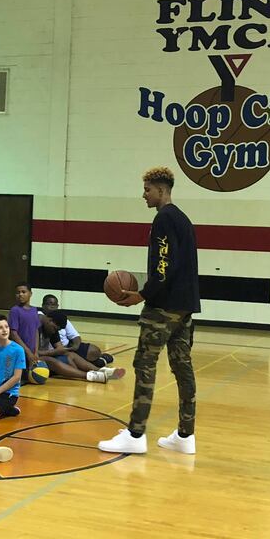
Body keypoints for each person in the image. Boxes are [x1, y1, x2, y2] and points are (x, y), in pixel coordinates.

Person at [98, 166, 199, 455]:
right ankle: (185, 435)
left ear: (162, 190)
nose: (143, 195)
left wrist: (142, 294)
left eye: (147, 190)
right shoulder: (183, 219)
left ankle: (135, 434)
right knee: (183, 367)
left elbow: (163, 265)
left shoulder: (164, 219)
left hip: (164, 307)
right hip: (185, 305)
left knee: (145, 364)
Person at [36, 311, 122, 383]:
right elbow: (34, 353)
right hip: (31, 359)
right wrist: (55, 352)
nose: (54, 331)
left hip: (43, 355)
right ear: (50, 320)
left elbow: (59, 347)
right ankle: (89, 376)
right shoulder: (35, 325)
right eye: (55, 329)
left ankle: (99, 370)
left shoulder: (51, 327)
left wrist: (63, 351)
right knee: (49, 360)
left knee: (70, 355)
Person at [40, 294, 115, 367]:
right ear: (43, 305)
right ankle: (95, 364)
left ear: (58, 306)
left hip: (66, 348)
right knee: (69, 360)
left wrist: (75, 346)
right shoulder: (40, 317)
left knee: (94, 350)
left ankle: (92, 364)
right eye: (49, 304)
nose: (52, 307)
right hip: (51, 351)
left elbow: (75, 336)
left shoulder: (60, 318)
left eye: (55, 305)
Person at [8, 282, 40, 371]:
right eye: (18, 292)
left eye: (23, 292)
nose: (20, 294)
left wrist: (36, 351)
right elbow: (14, 334)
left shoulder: (34, 310)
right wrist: (28, 352)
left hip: (32, 353)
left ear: (30, 293)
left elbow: (36, 331)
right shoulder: (15, 310)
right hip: (20, 352)